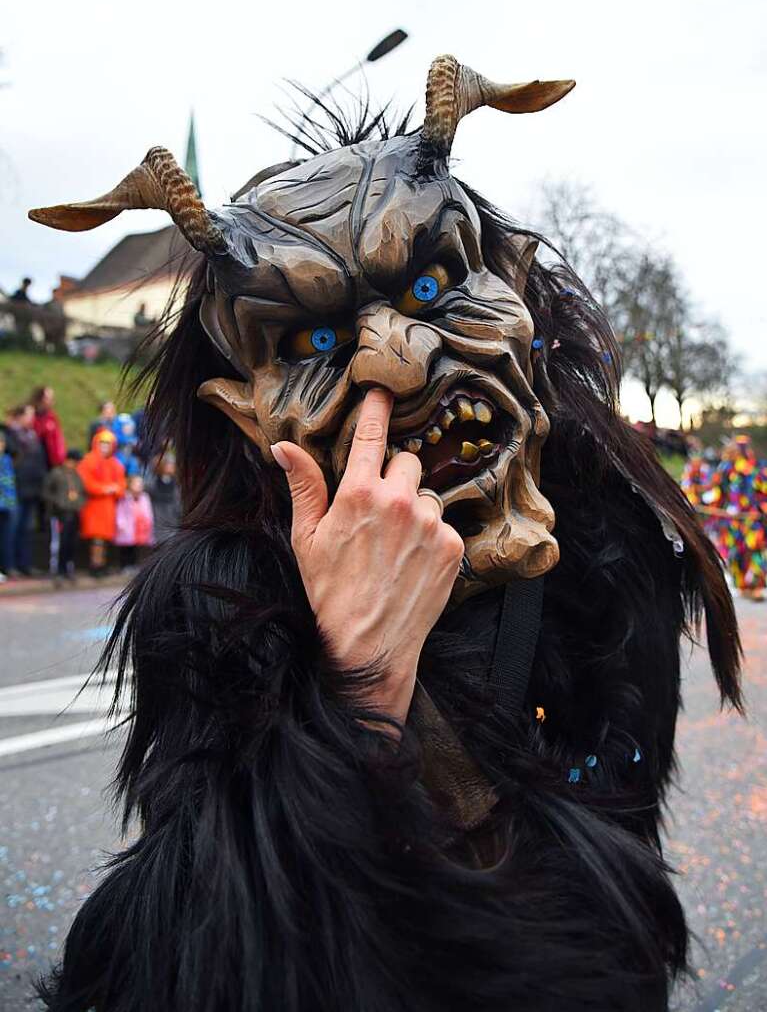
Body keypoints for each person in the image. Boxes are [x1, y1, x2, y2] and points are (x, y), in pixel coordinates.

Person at [31, 56, 742, 1012]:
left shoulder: (602, 559)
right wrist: (355, 677)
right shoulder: (217, 606)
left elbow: (613, 910)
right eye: (313, 341)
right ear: (244, 412)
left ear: (517, 296)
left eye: (427, 292)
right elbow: (174, 961)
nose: (395, 366)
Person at [702, 435, 767, 600]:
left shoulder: (757, 469)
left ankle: (756, 586)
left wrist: (760, 509)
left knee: (754, 550)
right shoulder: (725, 469)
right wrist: (714, 505)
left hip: (752, 519)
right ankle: (742, 586)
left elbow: (764, 492)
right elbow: (718, 492)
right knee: (734, 552)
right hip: (731, 521)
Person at [77, 429, 126, 576]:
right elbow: (85, 483)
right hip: (93, 506)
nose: (105, 447)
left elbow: (121, 485)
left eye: (108, 444)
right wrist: (105, 489)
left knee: (104, 538)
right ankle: (95, 565)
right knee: (97, 538)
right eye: (102, 444)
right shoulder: (88, 461)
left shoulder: (115, 464)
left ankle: (101, 564)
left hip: (109, 507)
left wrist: (113, 489)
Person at [5, 404, 46, 575]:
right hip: (16, 490)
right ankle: (9, 565)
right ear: (19, 416)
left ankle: (25, 564)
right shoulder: (10, 434)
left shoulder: (32, 435)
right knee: (11, 529)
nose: (32, 418)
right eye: (29, 415)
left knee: (27, 529)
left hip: (32, 489)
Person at [42, 448, 85, 582]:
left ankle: (68, 568)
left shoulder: (77, 475)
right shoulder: (56, 473)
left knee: (71, 542)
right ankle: (56, 570)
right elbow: (45, 492)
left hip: (73, 513)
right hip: (59, 514)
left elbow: (83, 492)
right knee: (58, 542)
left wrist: (79, 502)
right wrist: (58, 503)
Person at [114, 474, 154, 569]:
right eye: (136, 484)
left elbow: (148, 511)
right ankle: (125, 565)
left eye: (140, 484)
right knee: (127, 547)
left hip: (141, 526)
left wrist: (149, 522)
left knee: (139, 547)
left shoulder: (145, 497)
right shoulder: (124, 497)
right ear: (130, 485)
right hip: (127, 527)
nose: (139, 486)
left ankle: (137, 565)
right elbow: (120, 511)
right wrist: (120, 524)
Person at [144, 452, 180, 542]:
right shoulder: (152, 482)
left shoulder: (177, 483)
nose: (170, 466)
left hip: (173, 515)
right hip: (157, 514)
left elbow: (178, 499)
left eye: (172, 464)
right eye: (168, 464)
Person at [30, 385, 66, 468]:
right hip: (36, 462)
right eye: (49, 399)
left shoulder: (52, 417)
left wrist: (60, 458)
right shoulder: (30, 416)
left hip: (52, 463)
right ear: (40, 399)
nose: (52, 402)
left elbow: (58, 439)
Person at [0, 429, 18, 582]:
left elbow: (9, 484)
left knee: (6, 538)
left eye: (2, 443)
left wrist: (11, 503)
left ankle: (6, 567)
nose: (1, 446)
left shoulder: (6, 460)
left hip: (7, 506)